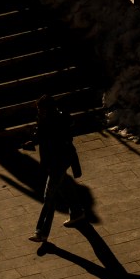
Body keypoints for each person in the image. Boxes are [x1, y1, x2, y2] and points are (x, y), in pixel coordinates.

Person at [22, 94, 86, 242]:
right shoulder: (49, 120)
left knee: (48, 197)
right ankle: (77, 212)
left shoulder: (55, 121)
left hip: (57, 162)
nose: (39, 112)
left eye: (41, 109)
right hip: (56, 162)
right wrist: (32, 141)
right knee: (64, 186)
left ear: (48, 109)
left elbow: (52, 137)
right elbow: (42, 136)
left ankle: (41, 232)